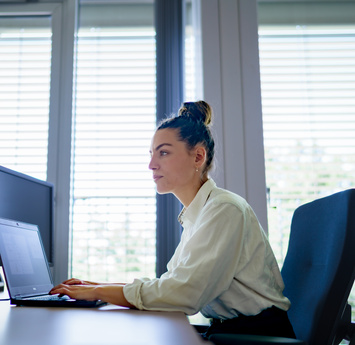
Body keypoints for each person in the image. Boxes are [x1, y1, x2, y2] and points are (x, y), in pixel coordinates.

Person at [50, 101, 295, 340]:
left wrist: (97, 292)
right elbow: (171, 284)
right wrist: (100, 286)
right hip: (230, 332)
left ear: (198, 157)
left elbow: (184, 293)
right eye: (151, 154)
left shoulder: (224, 210)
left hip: (256, 336)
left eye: (163, 152)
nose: (151, 165)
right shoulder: (198, 215)